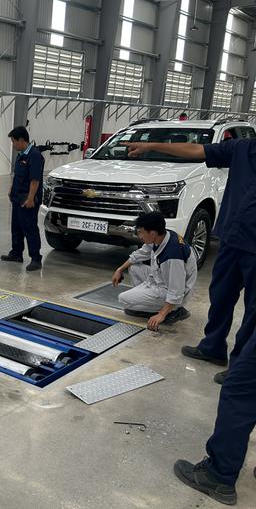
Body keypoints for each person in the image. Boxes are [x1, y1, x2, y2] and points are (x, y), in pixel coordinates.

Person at [125, 137, 256, 505]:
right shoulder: (244, 148)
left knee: (242, 385)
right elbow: (198, 150)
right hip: (234, 240)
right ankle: (214, 347)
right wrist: (153, 146)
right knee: (222, 297)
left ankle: (220, 476)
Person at [112, 212, 197, 331]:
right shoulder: (162, 236)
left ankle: (173, 310)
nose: (139, 236)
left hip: (172, 291)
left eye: (141, 232)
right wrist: (120, 269)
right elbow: (139, 255)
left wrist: (161, 315)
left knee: (124, 299)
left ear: (152, 233)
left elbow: (176, 290)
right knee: (134, 267)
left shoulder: (172, 256)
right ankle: (150, 302)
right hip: (160, 279)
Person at [0, 126, 45, 271]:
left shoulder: (34, 155)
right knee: (16, 227)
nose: (13, 145)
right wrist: (11, 188)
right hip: (17, 198)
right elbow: (17, 174)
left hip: (27, 199)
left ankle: (36, 258)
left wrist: (31, 198)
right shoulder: (21, 155)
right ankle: (16, 253)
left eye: (13, 142)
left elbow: (35, 180)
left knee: (30, 228)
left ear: (21, 140)